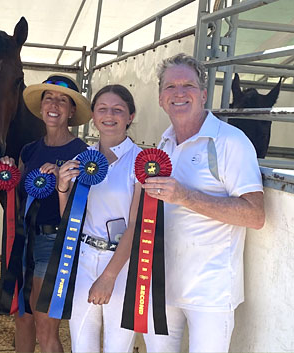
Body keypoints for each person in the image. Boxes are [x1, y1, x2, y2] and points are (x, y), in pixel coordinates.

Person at [142, 53, 265, 352]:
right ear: (160, 98)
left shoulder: (230, 141)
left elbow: (255, 215)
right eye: (170, 87)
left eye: (188, 85)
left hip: (210, 292)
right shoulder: (164, 142)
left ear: (203, 94)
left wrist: (184, 196)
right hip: (162, 285)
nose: (179, 93)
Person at [56, 84, 141, 352]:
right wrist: (62, 188)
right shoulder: (83, 159)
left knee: (118, 347)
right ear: (93, 115)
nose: (109, 115)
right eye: (102, 109)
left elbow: (137, 225)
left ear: (130, 117)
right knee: (82, 344)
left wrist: (109, 276)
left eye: (118, 110)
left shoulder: (140, 162)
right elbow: (69, 220)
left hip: (122, 264)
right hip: (83, 258)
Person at [14, 74, 90, 353]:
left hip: (56, 243)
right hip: (25, 241)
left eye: (63, 100)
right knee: (22, 318)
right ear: (41, 107)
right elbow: (19, 196)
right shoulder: (28, 150)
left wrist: (63, 183)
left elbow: (81, 211)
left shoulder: (82, 154)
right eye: (49, 98)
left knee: (46, 326)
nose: (54, 104)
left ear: (71, 111)